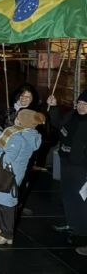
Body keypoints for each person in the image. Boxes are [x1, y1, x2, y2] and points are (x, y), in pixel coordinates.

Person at [0, 109, 43, 245]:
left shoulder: (19, 137)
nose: (16, 119)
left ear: (23, 121)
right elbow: (8, 139)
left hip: (9, 173)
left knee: (7, 205)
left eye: (18, 117)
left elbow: (8, 158)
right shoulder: (29, 134)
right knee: (6, 203)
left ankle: (7, 235)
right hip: (17, 173)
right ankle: (4, 230)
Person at [47, 92, 87, 256]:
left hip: (81, 166)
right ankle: (72, 224)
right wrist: (54, 107)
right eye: (80, 103)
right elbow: (58, 123)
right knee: (68, 195)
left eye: (85, 104)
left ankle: (82, 232)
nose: (81, 107)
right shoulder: (72, 115)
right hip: (66, 161)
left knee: (81, 199)